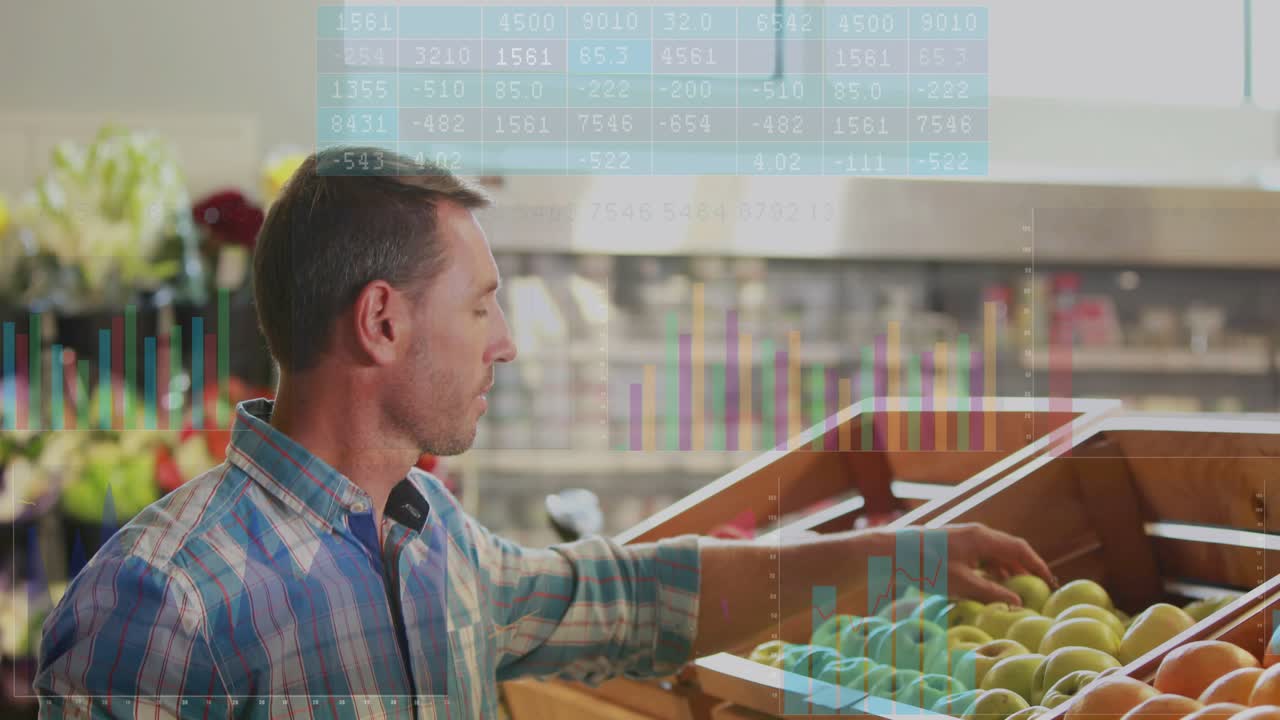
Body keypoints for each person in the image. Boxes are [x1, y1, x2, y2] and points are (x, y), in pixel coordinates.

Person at [35, 147, 1054, 718]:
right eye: (480, 308)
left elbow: (631, 598)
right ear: (383, 321)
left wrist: (895, 561)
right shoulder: (165, 597)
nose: (506, 344)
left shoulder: (433, 534)